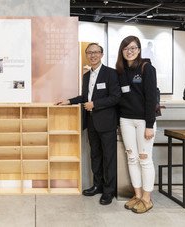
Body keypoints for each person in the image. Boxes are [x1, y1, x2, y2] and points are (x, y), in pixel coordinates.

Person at [57, 43, 121, 205]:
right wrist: (69, 101)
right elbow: (85, 97)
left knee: (108, 157)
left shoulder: (111, 74)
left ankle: (108, 191)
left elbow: (116, 97)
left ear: (102, 54)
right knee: (95, 155)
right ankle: (97, 185)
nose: (92, 55)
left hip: (106, 122)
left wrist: (95, 104)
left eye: (96, 52)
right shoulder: (86, 76)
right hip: (91, 122)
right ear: (86, 55)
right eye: (89, 53)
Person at [115, 35, 157, 214]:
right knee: (132, 159)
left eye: (133, 48)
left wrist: (149, 124)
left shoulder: (147, 68)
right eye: (126, 48)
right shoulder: (120, 71)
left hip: (143, 122)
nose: (129, 51)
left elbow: (151, 99)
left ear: (139, 50)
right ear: (122, 51)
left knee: (145, 160)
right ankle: (137, 195)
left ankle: (147, 199)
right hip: (126, 120)